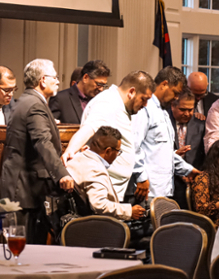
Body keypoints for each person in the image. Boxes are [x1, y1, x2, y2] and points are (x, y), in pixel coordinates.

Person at [0, 59, 74, 244]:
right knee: (20, 251)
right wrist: (62, 174)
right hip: (22, 191)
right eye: (55, 77)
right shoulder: (34, 105)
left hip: (22, 188)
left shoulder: (26, 101)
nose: (58, 81)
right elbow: (42, 142)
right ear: (43, 80)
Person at [61, 71, 155, 202]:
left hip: (114, 190)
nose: (145, 105)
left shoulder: (120, 105)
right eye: (144, 99)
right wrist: (70, 151)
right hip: (102, 192)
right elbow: (89, 127)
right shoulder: (108, 103)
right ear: (132, 92)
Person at [133, 66, 201, 200]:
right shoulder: (144, 109)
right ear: (164, 84)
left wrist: (188, 170)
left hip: (164, 190)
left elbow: (164, 153)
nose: (176, 97)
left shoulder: (163, 112)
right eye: (175, 92)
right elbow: (133, 146)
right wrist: (140, 176)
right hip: (147, 191)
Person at [66, 126, 145, 220]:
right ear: (108, 151)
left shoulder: (76, 158)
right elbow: (99, 204)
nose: (117, 155)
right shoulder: (95, 169)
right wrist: (129, 211)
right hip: (96, 227)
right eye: (118, 151)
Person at [168, 88, 206, 209]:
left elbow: (203, 155)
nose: (187, 113)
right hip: (169, 180)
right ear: (173, 106)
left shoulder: (200, 124)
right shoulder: (164, 121)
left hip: (192, 181)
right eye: (183, 109)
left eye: (190, 110)